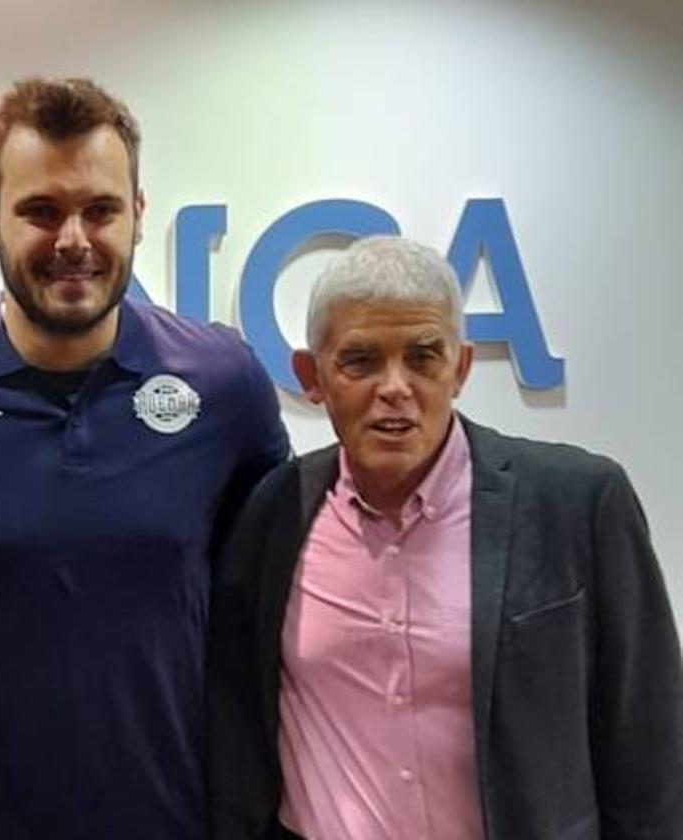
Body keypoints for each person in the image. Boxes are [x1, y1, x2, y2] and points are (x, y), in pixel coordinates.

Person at [0, 77, 289, 839]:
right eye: (40, 210)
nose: (74, 238)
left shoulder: (223, 384)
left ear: (137, 216)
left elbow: (261, 572)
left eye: (100, 209)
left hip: (175, 821)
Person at [207, 235, 683, 840]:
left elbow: (648, 740)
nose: (396, 387)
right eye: (360, 361)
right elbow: (234, 727)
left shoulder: (579, 505)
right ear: (312, 375)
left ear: (459, 366)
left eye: (423, 356)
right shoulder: (272, 513)